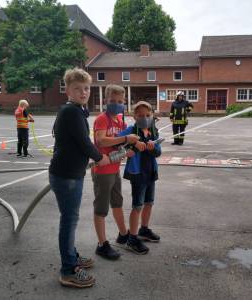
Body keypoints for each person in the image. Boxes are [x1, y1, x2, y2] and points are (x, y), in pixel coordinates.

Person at [49, 67, 110, 288]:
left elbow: (76, 141)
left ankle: (71, 257)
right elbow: (84, 143)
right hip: (66, 176)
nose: (83, 92)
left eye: (86, 88)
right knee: (69, 221)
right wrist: (99, 157)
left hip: (69, 173)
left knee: (70, 219)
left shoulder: (74, 110)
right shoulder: (72, 112)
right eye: (78, 89)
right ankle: (68, 270)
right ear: (68, 91)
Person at [92, 84, 140, 260]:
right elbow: (102, 141)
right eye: (113, 101)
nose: (117, 104)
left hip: (114, 170)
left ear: (124, 102)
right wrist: (126, 138)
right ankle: (102, 244)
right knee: (101, 208)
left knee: (117, 203)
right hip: (102, 170)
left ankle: (123, 234)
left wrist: (127, 150)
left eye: (120, 101)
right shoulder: (102, 119)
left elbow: (117, 146)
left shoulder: (121, 122)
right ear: (105, 101)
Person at [118, 101, 161, 254]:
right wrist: (133, 146)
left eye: (148, 115)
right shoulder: (130, 131)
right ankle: (132, 238)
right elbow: (118, 147)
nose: (144, 118)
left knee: (149, 202)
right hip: (138, 174)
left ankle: (144, 229)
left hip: (151, 172)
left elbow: (158, 153)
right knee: (138, 206)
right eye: (141, 115)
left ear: (152, 116)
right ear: (134, 116)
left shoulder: (153, 131)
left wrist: (152, 147)